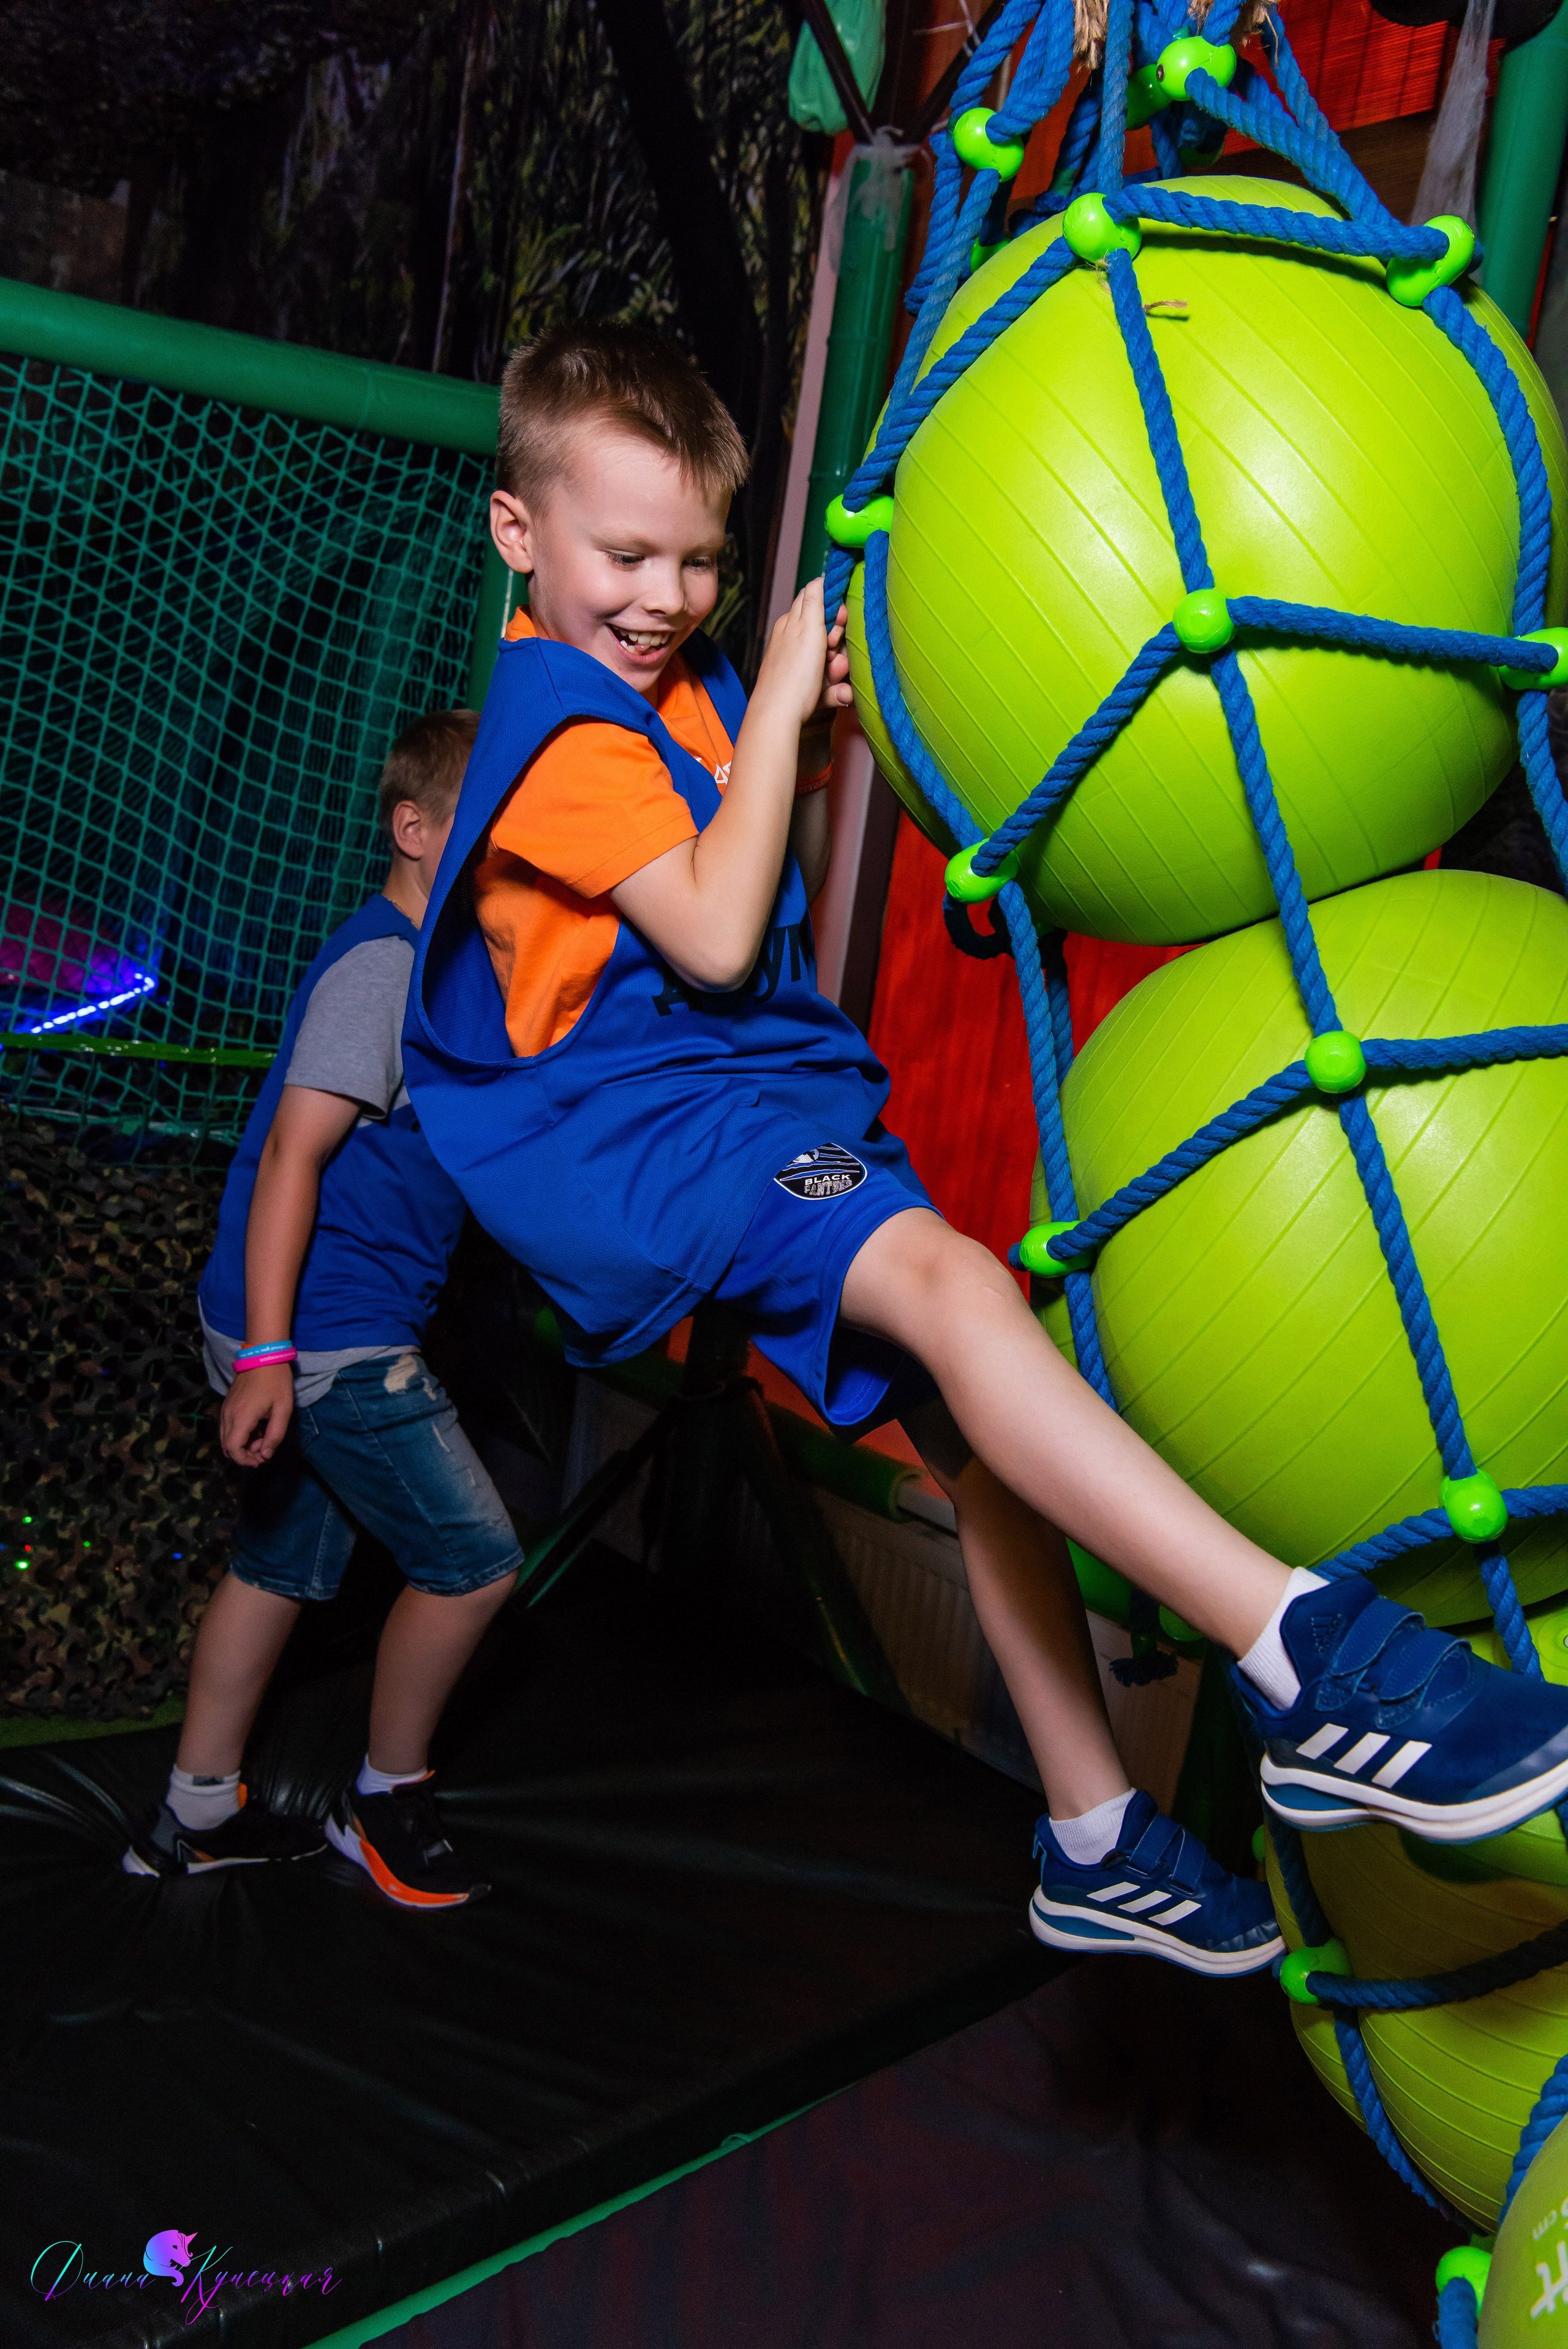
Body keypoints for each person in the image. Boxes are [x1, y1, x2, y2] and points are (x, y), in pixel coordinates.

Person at [401, 323, 1568, 1975]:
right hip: (650, 1126)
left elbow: (763, 850)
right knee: (958, 1285)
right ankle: (1306, 1653)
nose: (666, 595)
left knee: (971, 1423)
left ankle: (1092, 1831)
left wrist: (844, 705)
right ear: (520, 536)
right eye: (625, 553)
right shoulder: (565, 729)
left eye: (702, 562)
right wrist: (795, 709)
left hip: (733, 1102)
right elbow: (724, 935)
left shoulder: (670, 690)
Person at [123, 709, 521, 1910]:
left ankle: (193, 1813)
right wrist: (271, 1357)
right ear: (414, 829)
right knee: (473, 1564)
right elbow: (295, 1154)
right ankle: (384, 1795)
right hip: (322, 1327)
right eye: (489, 829)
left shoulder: (435, 970)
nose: (512, 853)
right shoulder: (387, 964)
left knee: (283, 1562)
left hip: (290, 1318)